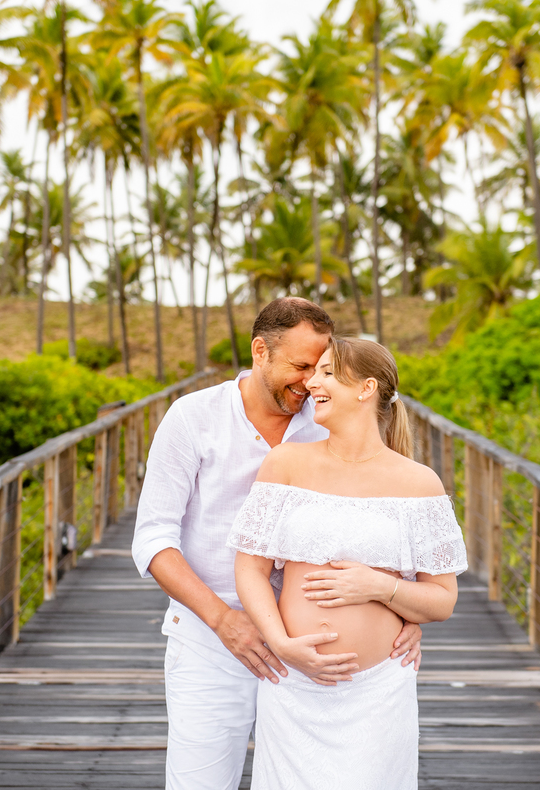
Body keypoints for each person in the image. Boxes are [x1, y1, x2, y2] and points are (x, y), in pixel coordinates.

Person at [132, 298, 423, 790]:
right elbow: (153, 537)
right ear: (260, 350)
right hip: (211, 640)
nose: (311, 382)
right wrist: (225, 621)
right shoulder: (192, 417)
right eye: (302, 366)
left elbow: (387, 514)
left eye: (321, 368)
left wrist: (405, 612)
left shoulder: (329, 418)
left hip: (309, 656)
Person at [229, 337, 467, 790]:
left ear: (366, 388)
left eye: (327, 373)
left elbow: (442, 601)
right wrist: (281, 644)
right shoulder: (286, 464)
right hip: (293, 682)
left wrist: (380, 588)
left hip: (379, 693)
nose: (311, 382)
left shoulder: (420, 484)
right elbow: (250, 570)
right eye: (313, 371)